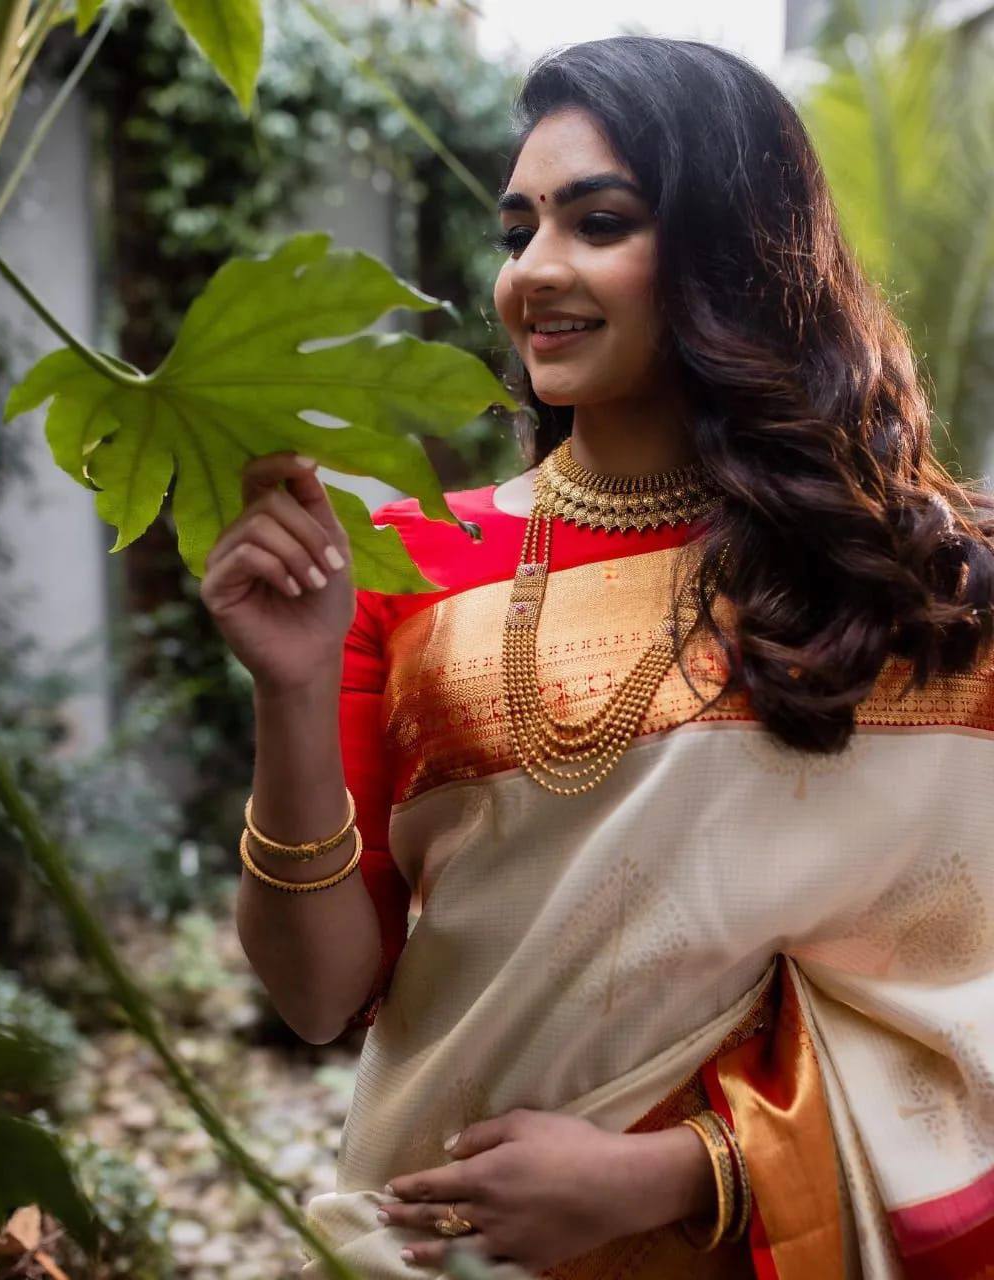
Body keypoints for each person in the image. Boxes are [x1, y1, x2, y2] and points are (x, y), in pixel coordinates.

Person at [199, 35, 994, 1280]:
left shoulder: (924, 586)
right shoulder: (411, 565)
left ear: (734, 247)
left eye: (600, 221)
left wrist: (683, 1171)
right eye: (518, 230)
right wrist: (290, 689)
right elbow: (317, 994)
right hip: (445, 1247)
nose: (534, 271)